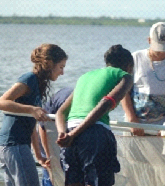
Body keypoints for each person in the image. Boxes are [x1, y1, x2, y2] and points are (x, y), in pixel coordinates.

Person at [55, 44, 134, 186]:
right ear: (129, 66)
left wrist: (64, 134)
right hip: (94, 135)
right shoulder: (125, 76)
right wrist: (73, 135)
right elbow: (105, 103)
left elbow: (61, 112)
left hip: (70, 132)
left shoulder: (85, 77)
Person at [0, 43, 68, 186]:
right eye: (61, 67)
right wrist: (31, 109)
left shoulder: (39, 84)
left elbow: (31, 125)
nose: (62, 72)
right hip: (14, 143)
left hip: (16, 144)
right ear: (49, 64)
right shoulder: (29, 78)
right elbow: (2, 102)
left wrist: (39, 156)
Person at [121, 21, 165, 136]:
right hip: (135, 124)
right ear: (149, 41)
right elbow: (123, 92)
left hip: (163, 128)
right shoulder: (135, 58)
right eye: (158, 48)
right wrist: (132, 119)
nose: (162, 52)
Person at [38, 87, 73, 186]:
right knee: (51, 168)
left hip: (64, 130)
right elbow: (42, 127)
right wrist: (50, 156)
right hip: (48, 132)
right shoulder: (65, 101)